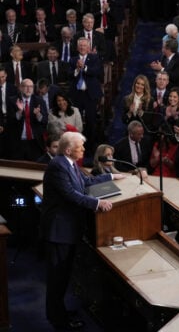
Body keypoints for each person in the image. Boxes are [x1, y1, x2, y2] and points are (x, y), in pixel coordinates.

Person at [39, 132, 124, 330]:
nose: (84, 150)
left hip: (67, 231)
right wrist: (97, 203)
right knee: (57, 279)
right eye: (81, 147)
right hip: (58, 233)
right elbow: (70, 194)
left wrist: (111, 176)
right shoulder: (58, 166)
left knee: (63, 277)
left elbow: (85, 183)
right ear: (69, 149)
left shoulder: (68, 163)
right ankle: (58, 321)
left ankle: (58, 313)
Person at [7, 78, 48, 161]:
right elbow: (10, 121)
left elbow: (45, 121)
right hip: (18, 142)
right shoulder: (12, 100)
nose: (29, 89)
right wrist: (20, 111)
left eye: (31, 87)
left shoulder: (39, 101)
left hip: (35, 142)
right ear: (20, 88)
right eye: (26, 86)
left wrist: (38, 115)